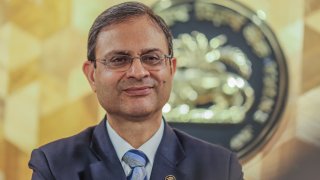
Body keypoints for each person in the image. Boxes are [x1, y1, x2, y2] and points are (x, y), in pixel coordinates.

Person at [28, 1, 243, 180]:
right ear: (92, 75)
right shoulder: (54, 166)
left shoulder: (220, 168)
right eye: (119, 59)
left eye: (151, 58)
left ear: (171, 69)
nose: (138, 72)